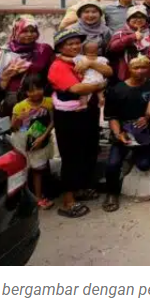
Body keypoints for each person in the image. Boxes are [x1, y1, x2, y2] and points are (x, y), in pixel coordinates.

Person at [47, 29, 107, 218]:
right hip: (69, 116)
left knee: (88, 151)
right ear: (60, 47)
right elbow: (77, 88)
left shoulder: (82, 60)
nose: (74, 46)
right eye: (69, 44)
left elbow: (107, 72)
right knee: (71, 156)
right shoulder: (57, 66)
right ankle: (68, 200)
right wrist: (101, 85)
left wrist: (96, 73)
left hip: (88, 111)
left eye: (76, 43)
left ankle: (81, 188)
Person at [102, 54, 150, 213]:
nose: (140, 71)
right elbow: (112, 117)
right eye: (136, 68)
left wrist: (148, 117)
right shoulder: (117, 90)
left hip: (147, 133)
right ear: (129, 69)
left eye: (144, 68)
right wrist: (118, 132)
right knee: (113, 164)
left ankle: (148, 155)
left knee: (144, 165)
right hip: (124, 132)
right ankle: (112, 193)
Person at [0, 15, 55, 116]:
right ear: (16, 31)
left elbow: (51, 74)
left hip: (37, 98)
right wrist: (7, 74)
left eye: (33, 31)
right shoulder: (1, 52)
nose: (29, 34)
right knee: (13, 128)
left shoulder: (44, 50)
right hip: (11, 100)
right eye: (24, 31)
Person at [10, 74, 55, 209]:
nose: (35, 93)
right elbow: (13, 127)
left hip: (39, 140)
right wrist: (20, 118)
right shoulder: (19, 107)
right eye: (31, 90)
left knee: (38, 170)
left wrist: (42, 137)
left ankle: (38, 198)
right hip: (21, 141)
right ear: (25, 92)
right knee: (22, 169)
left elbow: (53, 121)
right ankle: (19, 199)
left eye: (38, 88)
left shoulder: (49, 102)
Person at [76, 39, 112, 110]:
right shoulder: (102, 59)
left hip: (88, 80)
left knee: (84, 93)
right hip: (99, 79)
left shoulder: (81, 58)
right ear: (97, 50)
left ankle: (84, 104)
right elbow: (107, 62)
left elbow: (72, 60)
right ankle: (101, 99)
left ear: (84, 51)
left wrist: (81, 73)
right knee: (100, 91)